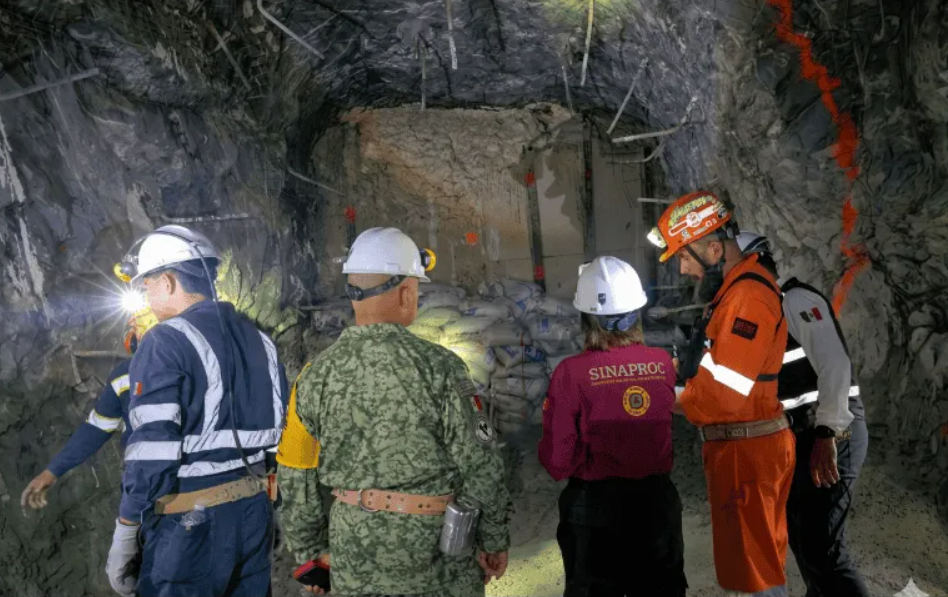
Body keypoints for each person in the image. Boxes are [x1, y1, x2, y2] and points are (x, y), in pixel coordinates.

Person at [279, 226, 512, 597]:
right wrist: (493, 538)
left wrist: (310, 554)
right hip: (438, 559)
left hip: (354, 558)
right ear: (406, 292)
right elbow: (481, 464)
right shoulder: (441, 367)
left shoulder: (312, 377)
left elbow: (296, 474)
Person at [104, 225, 289, 597]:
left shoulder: (164, 340)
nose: (148, 298)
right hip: (255, 514)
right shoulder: (262, 341)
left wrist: (126, 529)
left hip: (190, 524)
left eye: (148, 286)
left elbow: (151, 453)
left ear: (169, 281)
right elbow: (276, 442)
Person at [650, 191, 795, 597]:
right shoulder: (736, 292)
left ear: (714, 250)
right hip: (744, 448)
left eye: (684, 257)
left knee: (756, 578)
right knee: (754, 569)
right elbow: (724, 370)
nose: (683, 268)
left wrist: (662, 398)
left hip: (747, 453)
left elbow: (725, 396)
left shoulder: (747, 298)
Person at [539, 256, 687, 597]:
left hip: (596, 511)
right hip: (656, 505)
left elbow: (558, 462)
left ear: (586, 318)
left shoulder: (571, 373)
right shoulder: (662, 363)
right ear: (637, 312)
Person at [737, 231, 870, 597]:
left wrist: (827, 434)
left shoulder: (795, 301)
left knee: (823, 549)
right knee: (804, 540)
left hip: (833, 431)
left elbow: (834, 366)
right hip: (802, 437)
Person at [21, 319, 144, 510]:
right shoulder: (124, 377)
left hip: (187, 482)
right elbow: (96, 429)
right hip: (142, 485)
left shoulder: (188, 366)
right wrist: (51, 472)